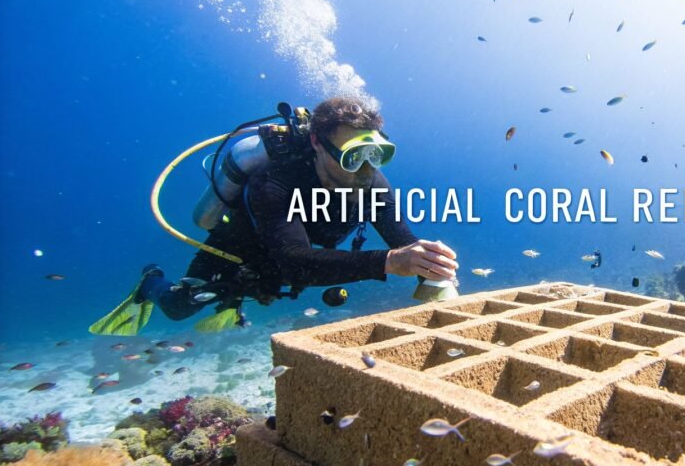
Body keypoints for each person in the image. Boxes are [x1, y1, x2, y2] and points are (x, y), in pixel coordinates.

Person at [90, 96, 458, 335]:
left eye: (377, 155)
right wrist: (391, 262)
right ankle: (150, 282)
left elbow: (405, 244)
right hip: (242, 251)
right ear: (316, 143)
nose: (366, 170)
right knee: (179, 307)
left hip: (296, 257)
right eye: (352, 156)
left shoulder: (373, 185)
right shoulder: (274, 182)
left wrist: (431, 263)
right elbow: (294, 262)